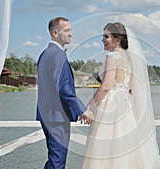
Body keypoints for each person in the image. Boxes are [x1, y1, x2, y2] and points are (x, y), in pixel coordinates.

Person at [80, 22, 160, 169]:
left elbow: (106, 87)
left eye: (106, 36)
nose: (102, 40)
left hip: (111, 105)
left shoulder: (113, 56)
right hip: (126, 106)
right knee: (125, 148)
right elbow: (131, 87)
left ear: (117, 39)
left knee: (105, 149)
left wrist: (89, 107)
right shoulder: (130, 58)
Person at [36, 17, 92, 169]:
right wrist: (82, 110)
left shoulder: (44, 54)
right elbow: (64, 88)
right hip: (57, 116)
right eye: (66, 30)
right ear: (55, 33)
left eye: (71, 30)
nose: (71, 34)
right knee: (58, 161)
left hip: (47, 114)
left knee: (54, 159)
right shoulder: (58, 55)